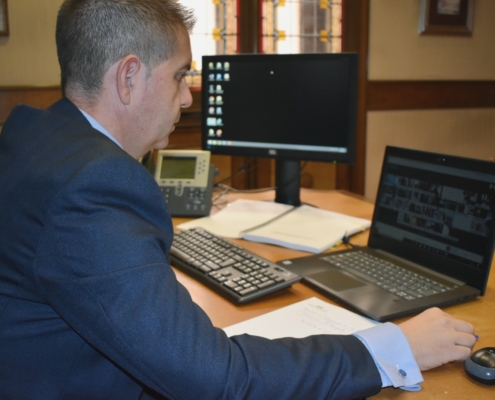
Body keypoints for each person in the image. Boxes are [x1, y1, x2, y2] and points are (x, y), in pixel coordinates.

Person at [0, 1, 477, 399]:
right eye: (180, 76)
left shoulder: (31, 136)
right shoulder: (92, 186)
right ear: (128, 77)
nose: (188, 99)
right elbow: (219, 379)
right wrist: (393, 349)